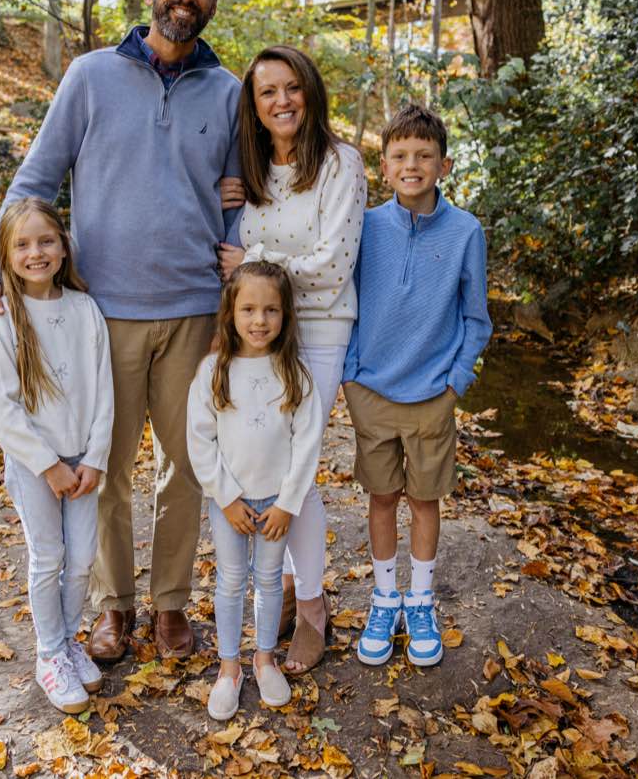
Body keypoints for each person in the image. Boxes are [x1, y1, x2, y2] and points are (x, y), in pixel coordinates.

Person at [0, 0, 244, 662]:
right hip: (106, 315)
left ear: (212, 0)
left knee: (187, 469)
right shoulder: (90, 77)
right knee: (107, 466)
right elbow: (32, 182)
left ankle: (171, 604)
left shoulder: (228, 92)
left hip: (193, 312)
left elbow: (242, 199)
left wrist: (238, 274)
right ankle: (112, 603)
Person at [216, 46, 366, 674]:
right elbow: (228, 257)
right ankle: (280, 594)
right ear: (254, 106)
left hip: (321, 332)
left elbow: (333, 269)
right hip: (262, 339)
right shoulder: (248, 177)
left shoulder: (342, 164)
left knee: (296, 468)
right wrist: (231, 206)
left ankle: (310, 609)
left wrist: (255, 264)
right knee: (267, 464)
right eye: (267, 92)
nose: (281, 101)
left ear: (310, 92)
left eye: (291, 88)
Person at [342, 104, 491, 668]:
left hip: (433, 397)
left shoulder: (465, 231)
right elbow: (345, 301)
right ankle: (385, 598)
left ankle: (421, 600)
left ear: (443, 164)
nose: (412, 165)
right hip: (372, 393)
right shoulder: (367, 226)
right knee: (382, 498)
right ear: (384, 166)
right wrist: (352, 375)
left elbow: (476, 318)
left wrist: (455, 383)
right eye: (401, 155)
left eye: (424, 156)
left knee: (424, 500)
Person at [0, 198, 114, 713]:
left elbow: (104, 390)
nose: (36, 252)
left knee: (81, 559)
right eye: (23, 244)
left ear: (63, 247)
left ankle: (68, 639)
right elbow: (3, 409)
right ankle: (49, 654)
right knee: (49, 557)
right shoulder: (3, 316)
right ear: (6, 254)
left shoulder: (84, 310)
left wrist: (95, 458)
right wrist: (49, 465)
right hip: (37, 464)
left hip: (83, 460)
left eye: (46, 241)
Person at [186, 262, 324, 720]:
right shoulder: (213, 370)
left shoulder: (295, 373)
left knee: (267, 581)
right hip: (230, 502)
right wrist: (224, 497)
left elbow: (307, 442)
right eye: (248, 309)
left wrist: (288, 503)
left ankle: (263, 659)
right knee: (229, 580)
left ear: (285, 315)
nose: (259, 320)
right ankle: (229, 667)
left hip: (275, 505)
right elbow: (200, 440)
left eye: (270, 310)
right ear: (230, 313)